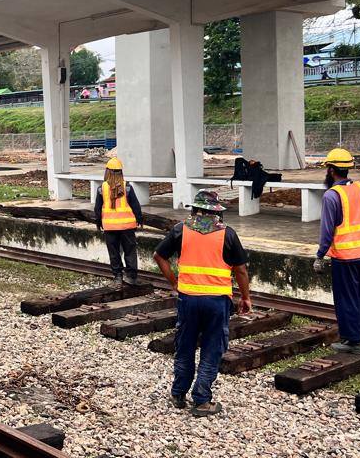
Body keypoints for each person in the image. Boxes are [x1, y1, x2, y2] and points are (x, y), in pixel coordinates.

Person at [152, 189, 251, 417]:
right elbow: (241, 270)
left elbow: (159, 256)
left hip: (188, 300)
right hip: (217, 302)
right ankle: (202, 400)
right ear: (216, 211)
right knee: (211, 349)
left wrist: (175, 282)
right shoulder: (228, 234)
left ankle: (178, 394)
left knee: (185, 346)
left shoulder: (180, 229)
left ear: (195, 209)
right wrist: (245, 297)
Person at [312, 148, 360, 355]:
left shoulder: (332, 196)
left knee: (346, 298)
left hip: (345, 257)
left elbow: (327, 229)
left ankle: (353, 341)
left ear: (331, 170)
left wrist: (320, 255)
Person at [94, 157, 143, 285]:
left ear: (107, 171)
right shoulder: (127, 187)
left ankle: (117, 277)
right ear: (121, 172)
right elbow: (135, 205)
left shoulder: (101, 188)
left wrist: (98, 223)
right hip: (127, 227)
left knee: (114, 253)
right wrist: (139, 218)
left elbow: (97, 209)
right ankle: (131, 277)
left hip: (110, 227)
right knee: (130, 252)